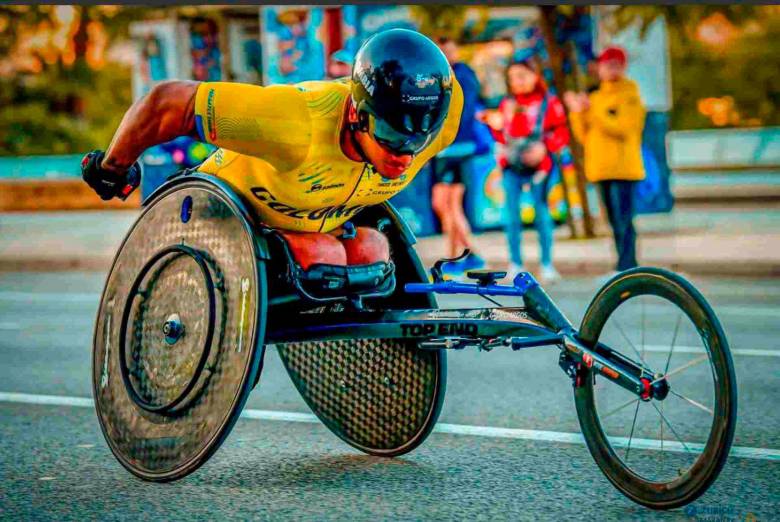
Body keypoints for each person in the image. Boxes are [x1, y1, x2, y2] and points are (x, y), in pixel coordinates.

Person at [81, 29, 463, 271]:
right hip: (220, 218)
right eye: (391, 135)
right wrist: (112, 168)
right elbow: (167, 103)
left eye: (420, 140)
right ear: (355, 112)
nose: (405, 155)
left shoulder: (444, 111)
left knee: (374, 252)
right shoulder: (292, 122)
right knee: (323, 257)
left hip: (318, 222)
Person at [479, 58, 570, 283]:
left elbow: (561, 133)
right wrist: (493, 127)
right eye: (512, 78)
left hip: (541, 167)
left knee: (542, 214)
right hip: (511, 166)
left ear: (535, 75)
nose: (517, 82)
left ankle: (547, 264)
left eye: (522, 76)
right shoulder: (506, 104)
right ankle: (515, 263)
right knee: (511, 216)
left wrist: (544, 149)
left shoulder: (549, 103)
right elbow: (501, 135)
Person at [564, 46, 646, 273]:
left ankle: (628, 265)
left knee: (624, 221)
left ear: (623, 66)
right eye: (605, 64)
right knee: (612, 222)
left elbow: (624, 128)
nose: (609, 69)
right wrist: (577, 112)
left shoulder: (630, 95)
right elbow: (583, 135)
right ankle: (622, 264)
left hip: (624, 169)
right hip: (600, 169)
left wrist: (594, 111)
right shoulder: (596, 96)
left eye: (615, 64)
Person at [429, 37, 485, 276]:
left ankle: (466, 254)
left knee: (450, 205)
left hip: (457, 148)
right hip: (444, 149)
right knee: (444, 205)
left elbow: (464, 112)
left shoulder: (463, 75)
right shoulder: (443, 75)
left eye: (448, 49)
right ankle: (458, 256)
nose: (445, 53)